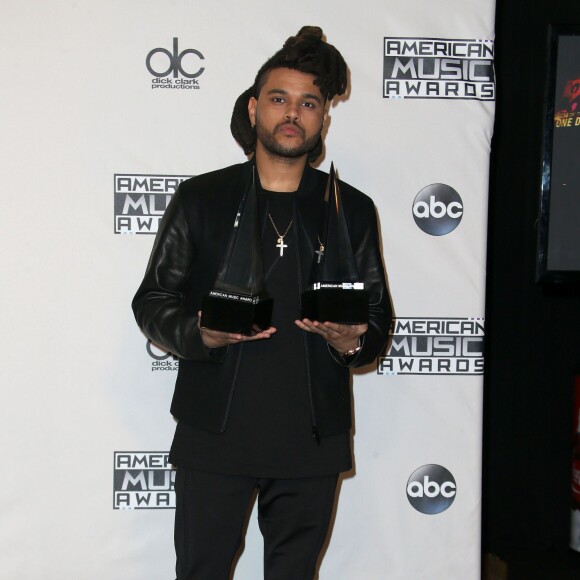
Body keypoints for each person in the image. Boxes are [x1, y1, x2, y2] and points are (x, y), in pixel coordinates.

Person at [132, 25, 392, 580]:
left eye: (308, 103)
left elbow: (376, 324)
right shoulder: (203, 197)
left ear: (323, 118)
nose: (292, 113)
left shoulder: (351, 209)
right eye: (279, 99)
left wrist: (353, 342)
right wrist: (200, 333)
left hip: (311, 440)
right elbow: (153, 299)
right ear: (253, 110)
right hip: (214, 435)